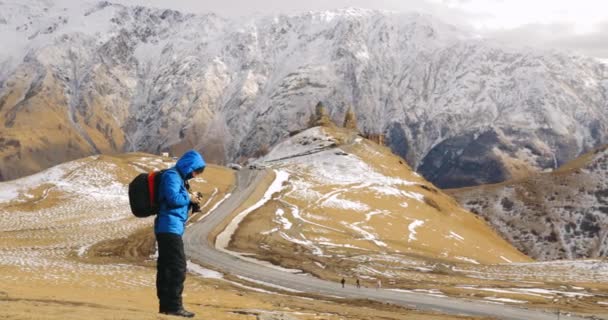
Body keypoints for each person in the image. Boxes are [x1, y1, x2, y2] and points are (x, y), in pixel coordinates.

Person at [155, 150, 206, 318]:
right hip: (168, 227)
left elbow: (176, 201)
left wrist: (191, 202)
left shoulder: (179, 179)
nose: (196, 175)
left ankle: (166, 306)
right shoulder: (172, 176)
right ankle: (174, 306)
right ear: (189, 166)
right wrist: (189, 199)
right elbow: (172, 199)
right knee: (177, 267)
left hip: (170, 227)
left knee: (167, 267)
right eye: (196, 171)